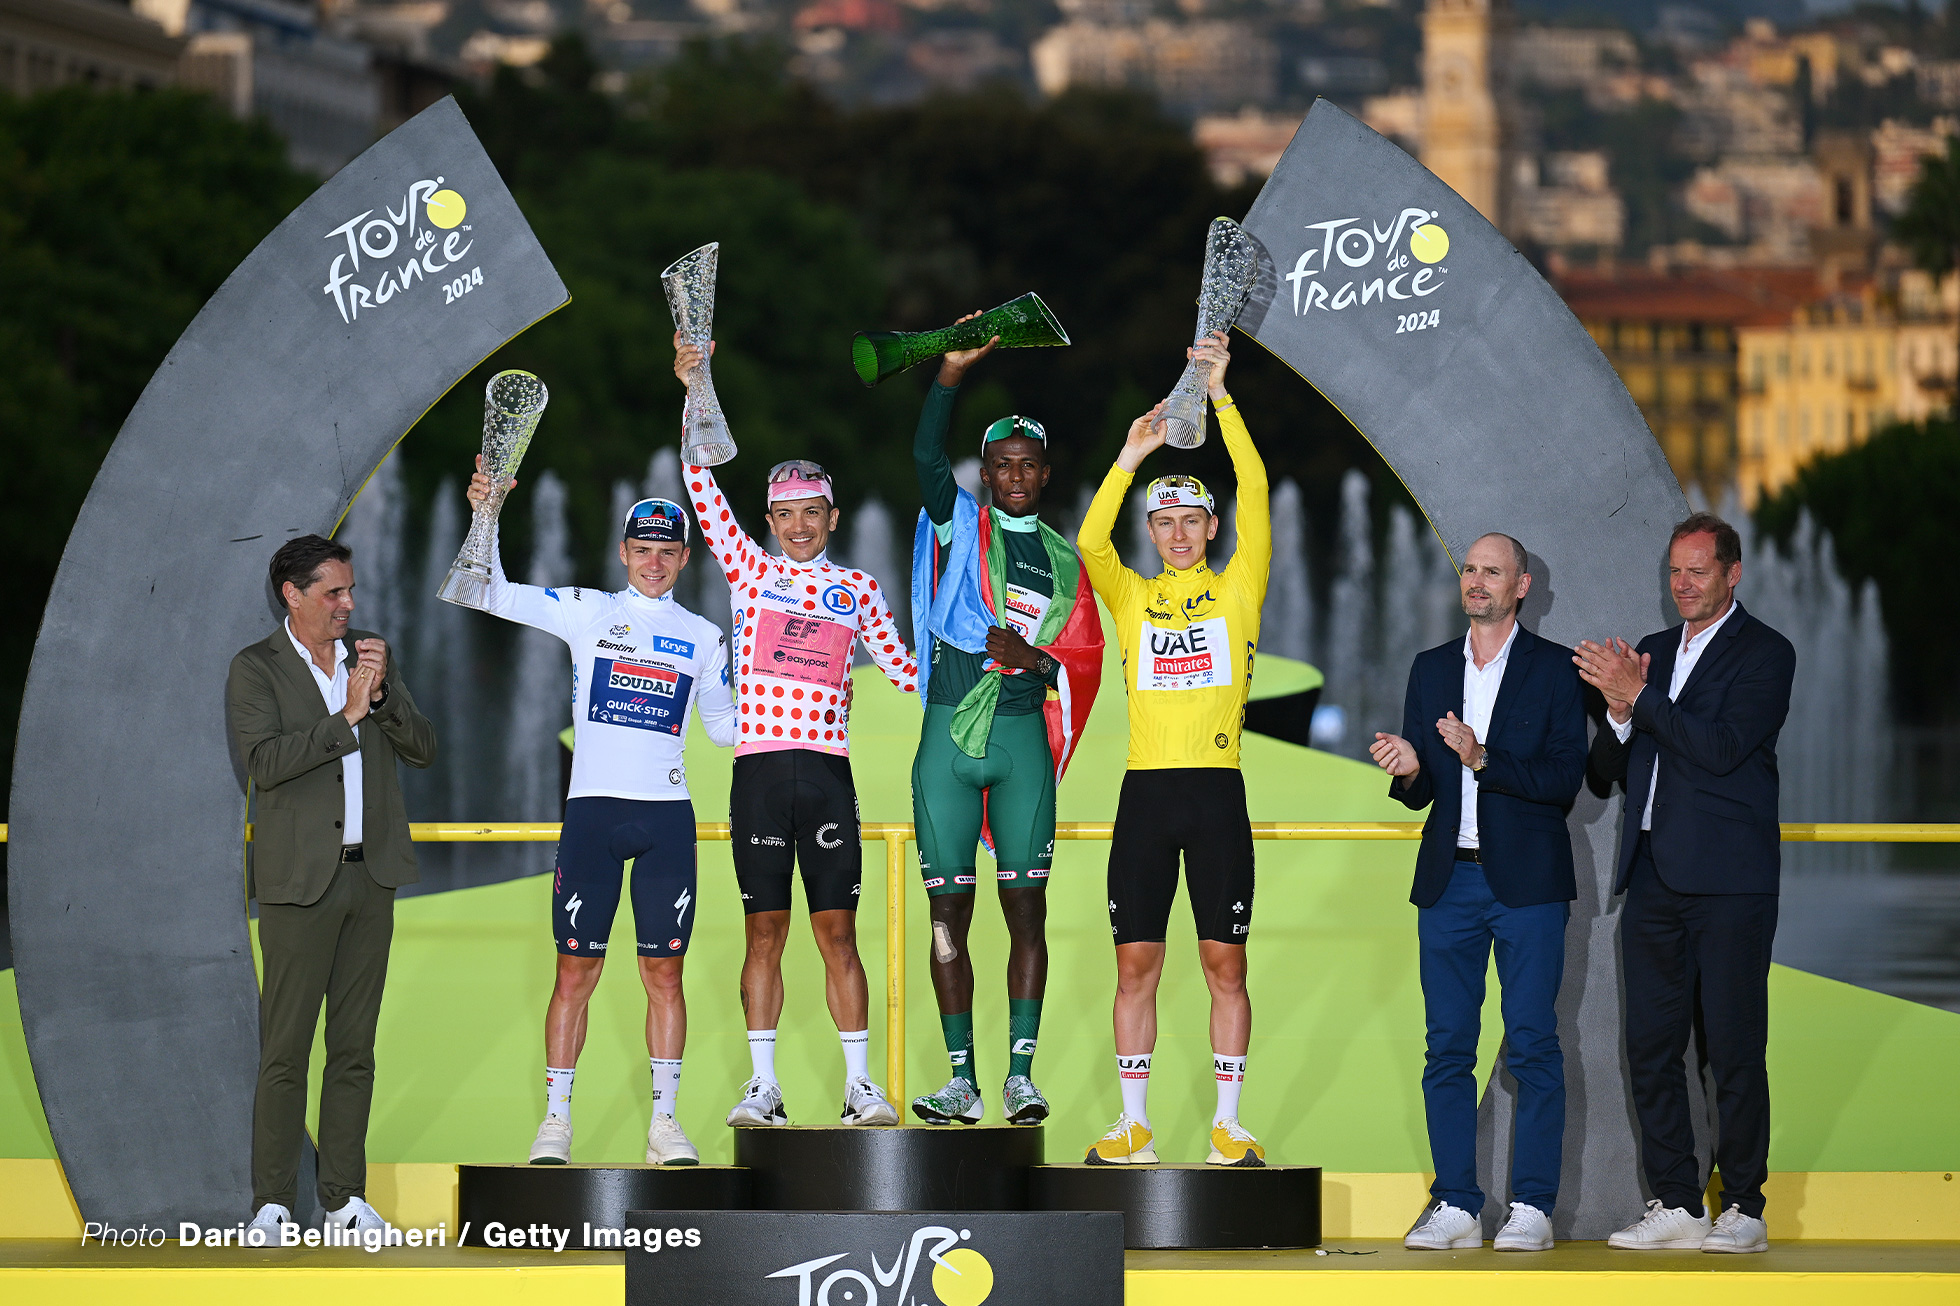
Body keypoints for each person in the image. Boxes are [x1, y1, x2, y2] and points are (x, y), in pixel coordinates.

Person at [670, 334, 919, 1130]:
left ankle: (860, 1087)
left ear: (833, 516)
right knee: (764, 931)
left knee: (838, 932)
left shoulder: (858, 588)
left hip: (828, 775)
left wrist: (993, 677)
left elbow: (909, 673)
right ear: (770, 520)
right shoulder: (750, 571)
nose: (800, 526)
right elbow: (697, 479)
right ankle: (764, 1088)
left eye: (813, 513)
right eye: (786, 515)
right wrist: (694, 384)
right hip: (761, 774)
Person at [466, 466, 738, 1165]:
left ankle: (665, 1125)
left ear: (685, 558)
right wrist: (487, 513)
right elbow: (484, 589)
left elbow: (726, 729)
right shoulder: (587, 609)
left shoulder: (705, 636)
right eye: (642, 549)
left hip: (666, 821)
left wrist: (806, 696)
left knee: (664, 978)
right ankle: (555, 1120)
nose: (653, 561)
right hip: (592, 815)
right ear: (624, 553)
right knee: (574, 974)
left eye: (667, 551)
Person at [1073, 331, 1271, 1168]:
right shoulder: (1132, 595)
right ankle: (1135, 1126)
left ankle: (1229, 1124)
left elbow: (1257, 485)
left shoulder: (1237, 586)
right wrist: (1129, 458)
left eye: (1194, 519)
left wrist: (1221, 397)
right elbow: (1089, 543)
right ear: (1152, 530)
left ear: (1212, 525)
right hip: (1145, 796)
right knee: (1136, 964)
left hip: (1216, 791)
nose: (1181, 532)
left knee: (1225, 962)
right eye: (1167, 521)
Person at [1575, 512, 1795, 1255]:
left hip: (1731, 883)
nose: (1683, 585)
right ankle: (1676, 1200)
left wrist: (1641, 700)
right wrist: (1617, 713)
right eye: (1675, 571)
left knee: (1732, 1046)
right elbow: (1603, 776)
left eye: (1698, 570)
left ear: (1733, 574)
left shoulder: (1767, 653)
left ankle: (1744, 1205)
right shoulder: (1653, 654)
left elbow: (1724, 749)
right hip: (1655, 880)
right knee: (1650, 1046)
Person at [907, 316, 1104, 1126]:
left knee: (1028, 910)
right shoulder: (962, 526)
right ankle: (962, 1080)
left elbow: (1085, 659)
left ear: (1044, 473)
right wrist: (949, 376)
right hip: (949, 737)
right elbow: (923, 455)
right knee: (947, 912)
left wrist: (1038, 661)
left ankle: (1021, 1074)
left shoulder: (1064, 559)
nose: (1015, 476)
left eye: (1028, 466)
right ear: (983, 473)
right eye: (1002, 465)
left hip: (1020, 741)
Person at [1369, 533, 1586, 1253]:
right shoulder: (1431, 668)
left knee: (1532, 1043)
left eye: (1492, 571)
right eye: (1469, 569)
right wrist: (1407, 769)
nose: (1477, 581)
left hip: (1526, 883)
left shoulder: (1555, 670)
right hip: (1449, 880)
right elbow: (1421, 789)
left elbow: (1562, 782)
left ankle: (1532, 1207)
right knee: (1447, 1048)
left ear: (1522, 585)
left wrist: (1481, 757)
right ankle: (1457, 1203)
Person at [229, 535, 436, 1239]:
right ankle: (272, 1204)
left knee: (354, 1049)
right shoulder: (255, 669)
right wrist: (345, 717)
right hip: (298, 885)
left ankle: (343, 1200)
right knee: (285, 1050)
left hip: (370, 877)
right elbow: (263, 763)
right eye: (334, 593)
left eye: (350, 591)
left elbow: (422, 749)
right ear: (293, 594)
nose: (349, 604)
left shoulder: (369, 655)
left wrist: (378, 698)